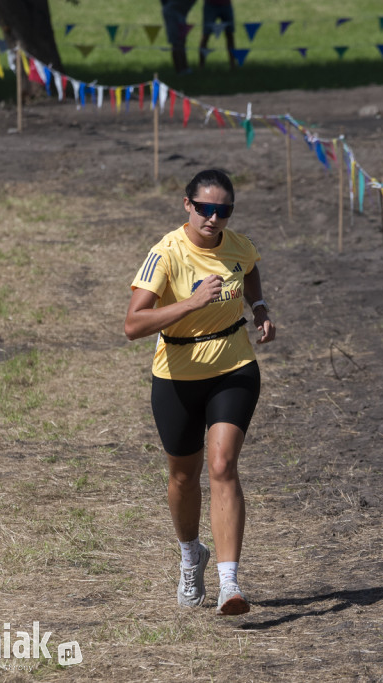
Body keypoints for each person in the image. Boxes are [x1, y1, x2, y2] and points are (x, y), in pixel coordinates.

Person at [124, 169, 275, 615]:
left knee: (223, 464)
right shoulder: (165, 253)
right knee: (183, 477)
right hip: (176, 375)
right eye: (205, 208)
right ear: (187, 205)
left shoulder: (239, 245)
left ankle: (230, 584)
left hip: (234, 367)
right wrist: (190, 303)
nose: (213, 218)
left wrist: (260, 306)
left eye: (222, 210)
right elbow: (133, 325)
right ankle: (192, 556)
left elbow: (249, 271)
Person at [199, 0, 237, 70]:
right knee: (205, 35)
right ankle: (201, 65)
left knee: (230, 35)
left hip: (226, 4)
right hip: (210, 5)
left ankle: (233, 64)